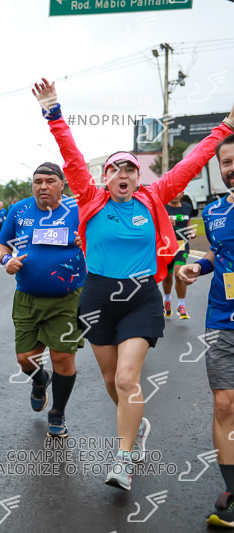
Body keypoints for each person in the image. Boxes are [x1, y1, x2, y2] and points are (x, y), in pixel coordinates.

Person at [34, 77, 234, 490]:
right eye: (115, 169)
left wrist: (225, 129)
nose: (122, 174)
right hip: (96, 299)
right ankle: (137, 426)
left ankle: (123, 459)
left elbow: (192, 162)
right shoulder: (89, 198)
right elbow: (70, 155)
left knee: (127, 379)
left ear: (137, 176)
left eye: (129, 169)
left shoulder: (154, 196)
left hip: (141, 297)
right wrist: (53, 111)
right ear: (105, 177)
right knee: (112, 382)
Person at [0, 162, 86, 437]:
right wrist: (6, 259)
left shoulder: (78, 210)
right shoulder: (19, 210)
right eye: (37, 181)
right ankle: (39, 380)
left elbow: (97, 241)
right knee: (26, 359)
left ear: (62, 185)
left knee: (63, 358)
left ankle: (57, 412)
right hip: (27, 298)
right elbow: (1, 244)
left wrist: (85, 242)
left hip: (67, 298)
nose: (43, 186)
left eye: (49, 181)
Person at [178, 132, 234, 528]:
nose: (232, 168)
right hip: (221, 319)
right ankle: (232, 492)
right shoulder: (213, 213)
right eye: (226, 162)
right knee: (225, 404)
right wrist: (198, 266)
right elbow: (217, 252)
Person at [162, 193, 195, 320]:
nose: (175, 195)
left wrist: (191, 232)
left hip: (182, 245)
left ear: (182, 194)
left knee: (179, 273)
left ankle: (181, 305)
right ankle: (167, 300)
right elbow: (156, 225)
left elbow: (189, 225)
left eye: (178, 192)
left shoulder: (187, 207)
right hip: (167, 246)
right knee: (168, 276)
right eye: (173, 192)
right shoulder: (163, 207)